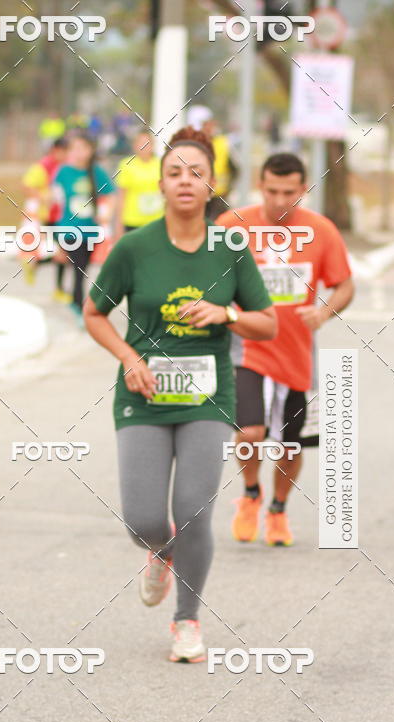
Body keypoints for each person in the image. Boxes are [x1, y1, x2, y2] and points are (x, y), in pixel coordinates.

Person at [83, 127, 276, 662]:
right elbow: (94, 313)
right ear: (161, 184)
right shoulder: (135, 247)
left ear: (212, 183)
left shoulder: (230, 248)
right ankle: (160, 552)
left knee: (194, 510)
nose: (185, 181)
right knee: (144, 519)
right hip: (142, 395)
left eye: (196, 172)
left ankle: (186, 621)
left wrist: (227, 313)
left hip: (206, 398)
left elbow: (268, 323)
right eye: (174, 173)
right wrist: (129, 357)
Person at [216, 152, 354, 546]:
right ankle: (250, 494)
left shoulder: (321, 230)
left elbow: (345, 285)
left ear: (304, 190)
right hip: (245, 349)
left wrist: (324, 312)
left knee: (290, 443)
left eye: (289, 193)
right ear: (260, 185)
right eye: (272, 191)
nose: (279, 201)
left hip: (295, 354)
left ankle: (277, 509)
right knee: (250, 433)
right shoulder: (232, 226)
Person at [52, 134, 115, 322]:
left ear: (90, 151)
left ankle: (74, 300)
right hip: (69, 228)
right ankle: (80, 309)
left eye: (83, 148)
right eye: (75, 148)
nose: (79, 153)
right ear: (69, 151)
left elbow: (111, 195)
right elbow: (55, 201)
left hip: (91, 229)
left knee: (83, 268)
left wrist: (106, 212)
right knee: (79, 269)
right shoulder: (63, 172)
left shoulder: (97, 172)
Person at [21, 138, 69, 300]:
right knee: (63, 252)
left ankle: (35, 266)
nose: (65, 155)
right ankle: (58, 288)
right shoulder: (43, 166)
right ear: (55, 150)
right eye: (63, 151)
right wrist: (43, 197)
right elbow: (27, 186)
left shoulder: (67, 166)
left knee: (64, 252)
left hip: (62, 215)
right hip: (47, 216)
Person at [114, 130, 163, 238]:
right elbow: (121, 196)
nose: (144, 147)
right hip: (132, 222)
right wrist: (118, 226)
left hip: (156, 222)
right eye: (140, 143)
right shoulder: (126, 164)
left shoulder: (161, 164)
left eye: (147, 143)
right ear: (134, 145)